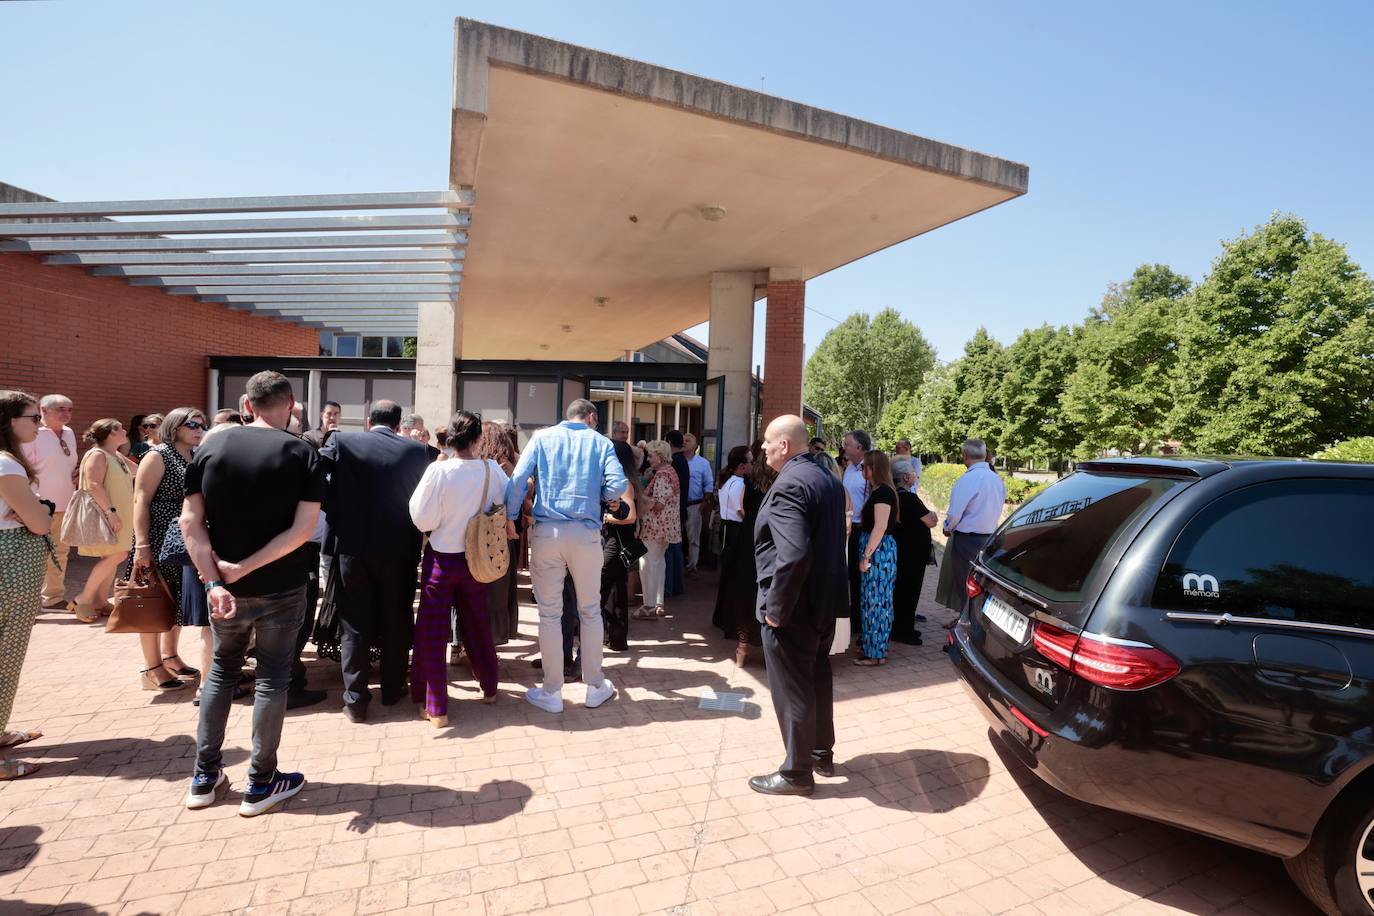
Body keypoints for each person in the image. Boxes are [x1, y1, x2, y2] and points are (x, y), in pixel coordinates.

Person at [180, 371, 323, 815]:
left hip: (224, 589)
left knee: (221, 673)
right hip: (280, 586)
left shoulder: (211, 447)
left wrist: (215, 580)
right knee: (273, 677)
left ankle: (205, 777)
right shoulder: (302, 453)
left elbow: (190, 522)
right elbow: (302, 532)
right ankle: (261, 781)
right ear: (291, 404)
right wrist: (243, 570)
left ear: (247, 403)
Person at [504, 398, 628, 714]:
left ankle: (552, 691)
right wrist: (603, 497)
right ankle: (595, 685)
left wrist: (512, 516)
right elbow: (617, 484)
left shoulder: (542, 438)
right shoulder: (601, 443)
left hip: (547, 532)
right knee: (590, 611)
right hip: (585, 534)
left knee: (549, 613)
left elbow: (518, 480)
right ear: (591, 417)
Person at [750, 415, 847, 796]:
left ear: (785, 446)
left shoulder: (790, 484)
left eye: (767, 442)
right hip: (823, 604)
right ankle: (821, 753)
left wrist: (776, 608)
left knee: (793, 688)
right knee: (817, 679)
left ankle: (796, 772)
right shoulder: (827, 479)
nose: (763, 448)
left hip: (794, 608)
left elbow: (793, 555)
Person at [320, 400, 430, 723]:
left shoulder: (342, 441)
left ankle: (355, 699)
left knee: (353, 621)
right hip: (399, 548)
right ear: (399, 424)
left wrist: (338, 515)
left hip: (352, 547)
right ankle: (393, 689)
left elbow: (318, 484)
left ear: (369, 421)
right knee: (397, 617)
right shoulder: (418, 451)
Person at [408, 411, 508, 727]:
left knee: (432, 632)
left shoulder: (439, 471)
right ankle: (490, 686)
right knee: (477, 624)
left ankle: (436, 707)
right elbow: (507, 501)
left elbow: (422, 519)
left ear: (450, 437)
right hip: (477, 559)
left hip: (442, 558)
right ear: (478, 439)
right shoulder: (492, 470)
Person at [131, 408, 207, 692]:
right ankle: (151, 668)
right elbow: (140, 500)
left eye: (203, 424)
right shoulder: (157, 454)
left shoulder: (195, 455)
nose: (199, 429)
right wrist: (142, 544)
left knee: (175, 601)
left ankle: (171, 656)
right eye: (192, 424)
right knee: (153, 602)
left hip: (181, 538)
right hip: (157, 535)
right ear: (175, 427)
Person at [0, 391, 55, 780]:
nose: (39, 424)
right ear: (9, 421)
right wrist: (40, 513)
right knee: (5, 655)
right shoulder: (6, 464)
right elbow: (39, 522)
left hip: (12, 566)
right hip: (11, 568)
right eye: (34, 417)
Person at [69, 421, 139, 631]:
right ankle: (83, 599)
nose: (125, 430)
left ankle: (99, 600)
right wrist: (111, 513)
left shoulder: (114, 455)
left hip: (120, 514)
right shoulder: (97, 454)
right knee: (117, 556)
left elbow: (138, 470)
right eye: (120, 428)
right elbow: (94, 484)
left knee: (111, 557)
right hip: (109, 513)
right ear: (110, 433)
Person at [937, 439, 1007, 620]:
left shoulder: (968, 479)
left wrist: (947, 527)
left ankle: (967, 629)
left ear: (965, 455)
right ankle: (973, 624)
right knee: (980, 587)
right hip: (989, 538)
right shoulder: (996, 479)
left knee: (965, 586)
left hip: (967, 540)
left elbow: (955, 513)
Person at [21, 395, 77, 610]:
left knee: (60, 553)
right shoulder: (34, 434)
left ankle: (53, 597)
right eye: (61, 409)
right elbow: (25, 470)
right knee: (32, 556)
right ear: (43, 410)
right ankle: (27, 604)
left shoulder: (69, 433)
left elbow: (67, 463)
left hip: (66, 504)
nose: (67, 414)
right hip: (38, 506)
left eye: (70, 409)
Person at [474, 420, 521, 646]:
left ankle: (461, 643)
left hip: (472, 537)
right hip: (497, 537)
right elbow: (515, 499)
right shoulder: (503, 467)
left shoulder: (472, 463)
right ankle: (489, 644)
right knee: (496, 593)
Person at [711, 445, 757, 665]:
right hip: (737, 531)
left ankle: (721, 616)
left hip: (726, 529)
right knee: (734, 576)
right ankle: (729, 618)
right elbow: (742, 510)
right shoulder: (739, 484)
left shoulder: (727, 481)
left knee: (726, 574)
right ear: (742, 465)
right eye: (750, 462)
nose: (752, 465)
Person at [854, 450, 900, 666]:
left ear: (873, 468)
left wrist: (866, 556)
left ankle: (875, 652)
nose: (863, 470)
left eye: (865, 466)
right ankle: (874, 648)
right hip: (879, 551)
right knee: (874, 600)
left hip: (878, 553)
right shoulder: (880, 491)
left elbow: (880, 527)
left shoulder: (882, 493)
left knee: (876, 602)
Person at [600, 441, 642, 652]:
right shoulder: (627, 481)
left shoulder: (624, 483)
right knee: (617, 593)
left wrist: (607, 518)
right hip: (619, 544)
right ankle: (616, 639)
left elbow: (631, 516)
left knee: (601, 590)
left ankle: (606, 636)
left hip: (616, 545)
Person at [891, 458, 937, 645]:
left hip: (902, 550)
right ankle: (903, 631)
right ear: (904, 476)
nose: (915, 476)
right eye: (912, 474)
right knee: (909, 591)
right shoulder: (909, 498)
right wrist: (932, 514)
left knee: (901, 590)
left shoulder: (894, 495)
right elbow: (931, 520)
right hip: (912, 553)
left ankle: (903, 627)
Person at [635, 440, 680, 621]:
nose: (649, 459)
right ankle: (658, 603)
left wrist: (642, 500)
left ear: (660, 456)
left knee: (647, 565)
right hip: (666, 527)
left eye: (651, 455)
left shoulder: (662, 475)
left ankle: (649, 605)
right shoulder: (669, 471)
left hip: (655, 527)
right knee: (658, 563)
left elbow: (659, 504)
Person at [840, 431, 872, 644]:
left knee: (862, 577)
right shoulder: (849, 469)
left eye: (848, 445)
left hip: (862, 528)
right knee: (850, 574)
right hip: (847, 528)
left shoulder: (869, 470)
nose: (844, 448)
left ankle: (862, 622)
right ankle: (854, 618)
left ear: (860, 447)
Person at [682, 433, 714, 574]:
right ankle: (679, 564)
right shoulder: (675, 461)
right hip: (678, 505)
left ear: (695, 446)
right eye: (683, 440)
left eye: (688, 440)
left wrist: (705, 502)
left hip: (695, 504)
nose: (685, 442)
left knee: (693, 537)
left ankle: (692, 565)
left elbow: (708, 484)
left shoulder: (703, 463)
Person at [664, 430, 690, 596]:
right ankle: (677, 586)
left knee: (671, 550)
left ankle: (669, 587)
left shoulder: (674, 462)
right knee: (676, 550)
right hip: (680, 509)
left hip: (673, 511)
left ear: (668, 441)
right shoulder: (683, 461)